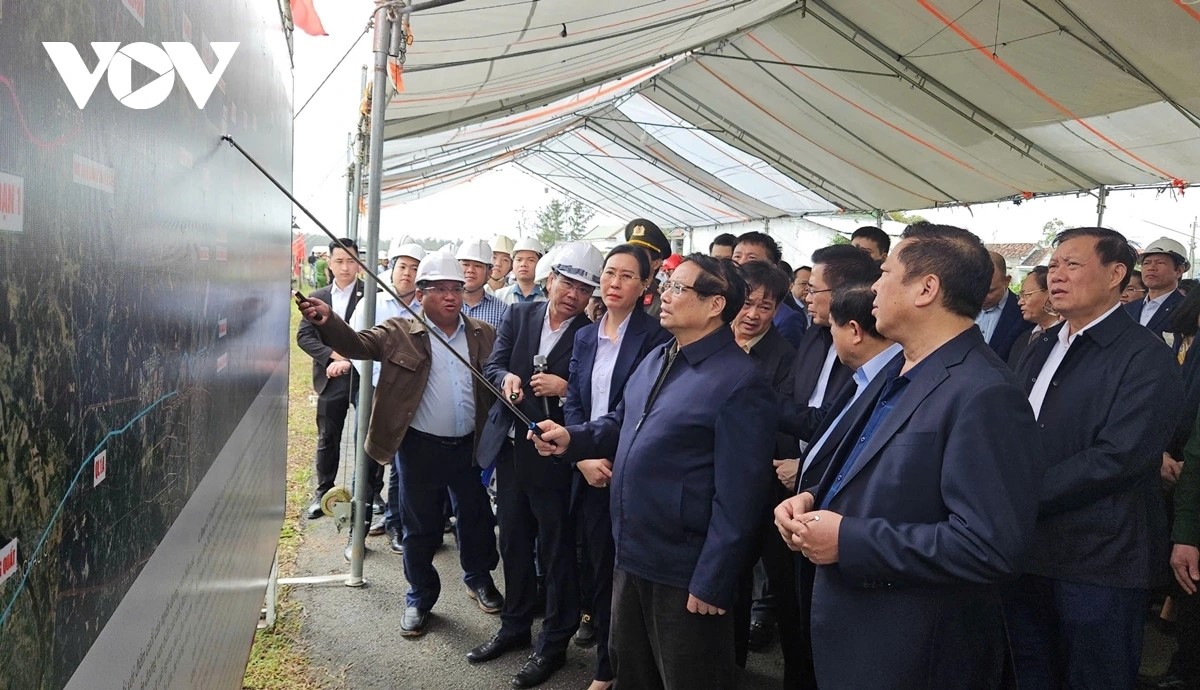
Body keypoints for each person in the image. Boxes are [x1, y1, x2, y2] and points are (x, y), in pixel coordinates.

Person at [775, 222, 1042, 689]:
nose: (873, 288)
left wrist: (849, 539)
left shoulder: (984, 392)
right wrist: (814, 496)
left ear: (926, 289)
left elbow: (989, 546)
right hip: (853, 633)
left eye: (885, 274)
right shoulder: (898, 367)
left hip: (910, 651)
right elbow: (873, 465)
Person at [530, 254, 779, 689]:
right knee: (632, 670)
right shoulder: (659, 356)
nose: (665, 294)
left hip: (684, 569)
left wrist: (714, 578)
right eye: (667, 283)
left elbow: (742, 497)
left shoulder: (740, 382)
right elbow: (621, 422)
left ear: (715, 304)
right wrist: (572, 439)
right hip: (631, 551)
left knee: (688, 676)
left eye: (679, 287)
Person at [1005, 226, 1183, 689]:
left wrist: (1017, 494)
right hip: (1026, 549)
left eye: (1072, 264)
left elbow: (1119, 457)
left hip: (1099, 559)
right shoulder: (1039, 345)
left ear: (1116, 274)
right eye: (1054, 265)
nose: (1056, 275)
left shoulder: (1145, 357)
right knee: (1029, 672)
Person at [294, 252, 504, 637]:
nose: (450, 296)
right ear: (420, 294)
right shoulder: (397, 332)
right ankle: (420, 596)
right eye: (440, 288)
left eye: (456, 288)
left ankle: (479, 579)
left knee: (476, 520)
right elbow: (357, 345)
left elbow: (500, 374)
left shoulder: (482, 333)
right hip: (419, 448)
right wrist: (328, 321)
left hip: (471, 448)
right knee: (419, 526)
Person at [467, 242, 603, 689]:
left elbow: (595, 396)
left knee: (557, 549)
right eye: (567, 284)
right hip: (512, 450)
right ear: (550, 280)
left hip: (555, 456)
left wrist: (565, 388)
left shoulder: (591, 335)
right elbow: (493, 364)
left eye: (583, 289)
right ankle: (514, 625)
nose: (573, 295)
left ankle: (554, 643)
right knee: (513, 541)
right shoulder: (520, 314)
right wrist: (504, 377)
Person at [563, 244, 672, 690]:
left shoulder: (657, 338)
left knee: (620, 572)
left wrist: (605, 456)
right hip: (588, 463)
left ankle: (611, 669)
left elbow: (644, 410)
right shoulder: (586, 335)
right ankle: (604, 652)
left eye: (628, 276)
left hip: (626, 467)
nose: (614, 283)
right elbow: (574, 400)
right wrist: (582, 457)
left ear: (645, 285)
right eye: (609, 273)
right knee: (592, 562)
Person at [785, 282, 903, 689]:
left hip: (855, 553)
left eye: (831, 328)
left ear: (853, 330)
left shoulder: (894, 380)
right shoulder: (863, 377)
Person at [351, 242, 427, 550]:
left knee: (402, 464)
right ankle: (357, 532)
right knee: (367, 460)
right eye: (402, 266)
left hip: (409, 395)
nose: (407, 273)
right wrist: (383, 381)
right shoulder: (372, 302)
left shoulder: (424, 309)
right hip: (374, 390)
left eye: (414, 268)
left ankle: (396, 524)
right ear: (391, 269)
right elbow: (356, 346)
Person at [776, 245, 879, 459]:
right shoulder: (813, 333)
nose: (807, 298)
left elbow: (832, 422)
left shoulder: (869, 350)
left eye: (813, 290)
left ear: (843, 292)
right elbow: (789, 391)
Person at [297, 238, 368, 521]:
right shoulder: (318, 297)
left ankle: (370, 494)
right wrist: (333, 357)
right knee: (328, 436)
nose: (345, 267)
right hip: (330, 376)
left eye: (351, 261)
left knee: (366, 436)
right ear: (329, 262)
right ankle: (323, 492)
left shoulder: (371, 295)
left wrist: (351, 359)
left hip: (364, 376)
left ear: (359, 263)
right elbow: (304, 336)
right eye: (339, 261)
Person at [1127, 236, 1189, 345]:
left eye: (1160, 263)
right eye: (1146, 263)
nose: (1151, 268)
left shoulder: (1187, 310)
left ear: (1179, 271)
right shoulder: (1128, 309)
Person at [975, 250, 1032, 362]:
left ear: (1006, 281)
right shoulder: (959, 307)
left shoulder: (1023, 313)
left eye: (990, 291)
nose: (981, 296)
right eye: (976, 290)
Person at [1007, 265, 1059, 369]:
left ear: (1050, 293)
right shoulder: (1023, 339)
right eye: (1020, 296)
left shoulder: (1067, 339)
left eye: (1026, 295)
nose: (1020, 302)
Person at [623, 219, 671, 318]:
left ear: (656, 263)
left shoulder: (662, 302)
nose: (633, 257)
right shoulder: (620, 288)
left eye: (640, 254)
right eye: (630, 252)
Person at [457, 239, 507, 329]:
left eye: (478, 266)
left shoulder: (501, 309)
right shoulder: (445, 305)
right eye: (466, 264)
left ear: (489, 273)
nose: (470, 270)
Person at [495, 237, 548, 305]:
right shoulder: (500, 296)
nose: (523, 264)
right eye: (519, 260)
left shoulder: (548, 297)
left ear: (540, 263)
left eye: (530, 260)